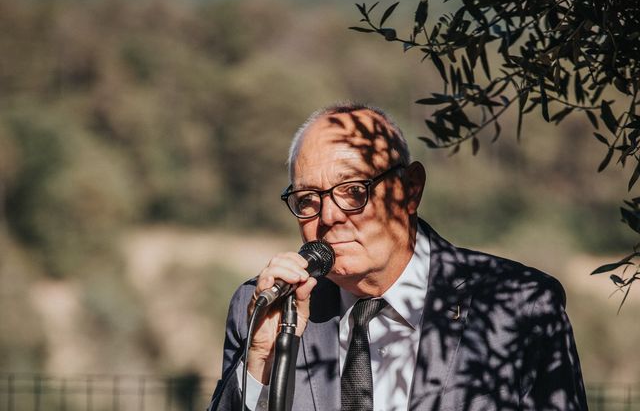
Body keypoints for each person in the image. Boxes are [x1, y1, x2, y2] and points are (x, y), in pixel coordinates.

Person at [208, 103, 588, 411]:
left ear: (410, 190)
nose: (328, 216)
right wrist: (261, 360)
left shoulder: (520, 305)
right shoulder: (266, 305)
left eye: (353, 191)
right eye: (307, 199)